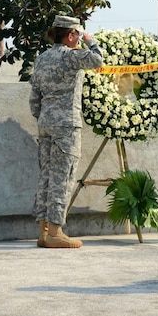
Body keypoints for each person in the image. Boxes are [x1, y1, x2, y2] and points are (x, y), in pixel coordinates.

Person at [30, 14, 104, 249]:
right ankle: (55, 232)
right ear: (71, 35)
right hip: (66, 125)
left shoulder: (41, 59)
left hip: (45, 123)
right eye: (78, 34)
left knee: (46, 176)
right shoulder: (70, 57)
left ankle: (43, 231)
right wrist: (91, 41)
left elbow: (34, 98)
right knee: (63, 177)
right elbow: (98, 60)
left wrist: (44, 117)